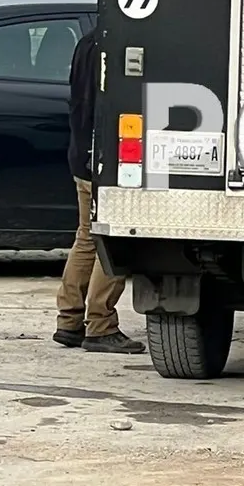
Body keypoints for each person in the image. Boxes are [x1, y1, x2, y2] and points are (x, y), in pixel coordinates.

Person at [53, 26, 145, 354]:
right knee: (115, 238)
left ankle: (69, 319)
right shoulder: (119, 44)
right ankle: (101, 323)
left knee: (86, 237)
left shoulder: (86, 42)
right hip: (107, 158)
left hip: (82, 155)